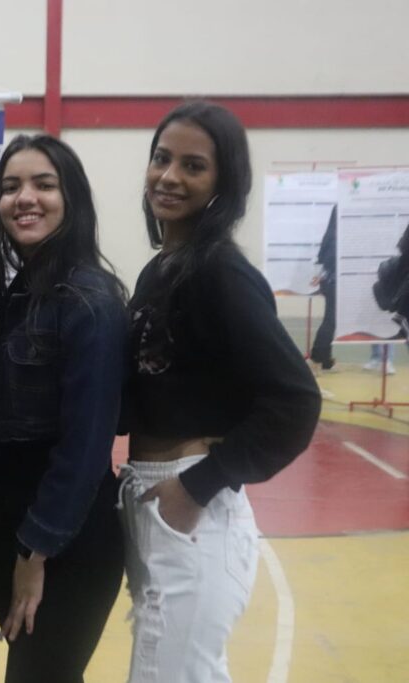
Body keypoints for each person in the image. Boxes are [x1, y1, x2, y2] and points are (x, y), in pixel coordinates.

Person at [120, 101, 321, 683]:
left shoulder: (219, 272)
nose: (169, 176)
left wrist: (200, 484)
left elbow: (295, 399)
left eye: (193, 166)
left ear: (222, 183)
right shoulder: (164, 269)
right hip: (154, 496)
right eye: (161, 158)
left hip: (192, 503)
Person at [0, 134, 126, 683]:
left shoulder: (89, 300)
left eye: (43, 184)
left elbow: (85, 448)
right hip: (16, 521)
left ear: (70, 197)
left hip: (62, 539)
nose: (24, 198)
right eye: (10, 187)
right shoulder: (24, 292)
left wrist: (36, 555)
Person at [310, 206, 337, 370]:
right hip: (333, 282)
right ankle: (316, 357)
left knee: (331, 320)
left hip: (329, 281)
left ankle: (325, 360)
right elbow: (329, 259)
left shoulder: (331, 234)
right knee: (331, 321)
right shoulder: (335, 239)